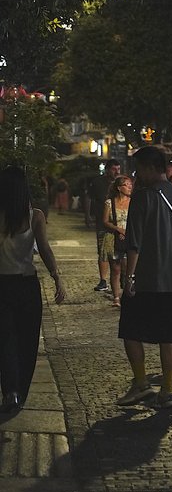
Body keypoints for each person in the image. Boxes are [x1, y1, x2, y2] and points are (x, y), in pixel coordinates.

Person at [118, 146, 172, 409]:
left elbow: (134, 242)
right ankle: (168, 392)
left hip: (148, 279)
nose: (137, 175)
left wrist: (130, 278)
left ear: (151, 168)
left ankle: (140, 383)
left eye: (139, 169)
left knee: (130, 330)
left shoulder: (143, 197)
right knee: (169, 337)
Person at [0, 166, 66, 413]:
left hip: (1, 284)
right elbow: (45, 249)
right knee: (27, 340)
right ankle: (20, 392)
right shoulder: (34, 216)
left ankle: (11, 391)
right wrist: (57, 278)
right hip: (27, 284)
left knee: (4, 339)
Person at [101, 175, 134, 308]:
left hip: (129, 239)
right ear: (119, 188)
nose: (130, 187)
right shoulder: (110, 203)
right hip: (113, 238)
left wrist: (127, 233)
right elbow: (105, 221)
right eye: (127, 185)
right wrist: (118, 230)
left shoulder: (133, 202)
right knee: (115, 268)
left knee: (128, 268)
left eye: (130, 184)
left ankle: (127, 292)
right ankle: (116, 297)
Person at [88, 159, 121, 291]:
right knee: (103, 250)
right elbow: (90, 198)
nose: (116, 172)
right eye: (114, 169)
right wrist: (89, 215)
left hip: (119, 221)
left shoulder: (122, 183)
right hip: (103, 220)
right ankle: (103, 280)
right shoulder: (98, 182)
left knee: (120, 250)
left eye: (118, 169)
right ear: (107, 169)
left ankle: (122, 278)